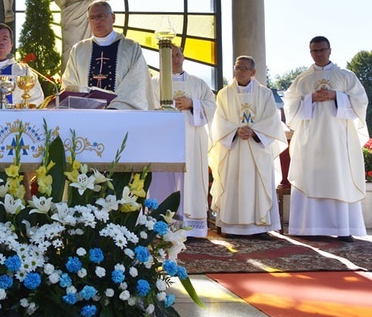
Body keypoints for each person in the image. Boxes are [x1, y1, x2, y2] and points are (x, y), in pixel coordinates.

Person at [284, 36, 369, 242]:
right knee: (310, 176)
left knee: (339, 177)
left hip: (338, 139)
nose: (318, 54)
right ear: (310, 52)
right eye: (314, 50)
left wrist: (336, 97)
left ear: (330, 50)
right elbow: (289, 106)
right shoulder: (302, 80)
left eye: (322, 50)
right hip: (310, 140)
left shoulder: (346, 76)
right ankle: (310, 228)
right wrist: (310, 98)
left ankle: (343, 228)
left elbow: (361, 102)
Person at [209, 56, 287, 239]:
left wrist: (254, 132)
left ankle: (259, 227)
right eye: (237, 68)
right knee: (232, 183)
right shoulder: (224, 94)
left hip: (257, 149)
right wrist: (235, 131)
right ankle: (231, 226)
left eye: (244, 68)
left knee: (258, 184)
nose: (240, 71)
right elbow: (218, 121)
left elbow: (272, 121)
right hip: (233, 148)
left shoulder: (265, 94)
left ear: (253, 72)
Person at [148, 45, 216, 238]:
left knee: (191, 178)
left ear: (184, 56)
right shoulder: (153, 84)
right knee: (163, 179)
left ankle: (191, 227)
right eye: (169, 56)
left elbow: (212, 107)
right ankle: (162, 226)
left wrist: (192, 104)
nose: (175, 58)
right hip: (163, 140)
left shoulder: (198, 84)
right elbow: (144, 107)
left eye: (178, 54)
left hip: (192, 139)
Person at [61, 0, 154, 110]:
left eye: (101, 16)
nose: (97, 21)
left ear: (113, 18)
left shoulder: (130, 48)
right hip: (86, 114)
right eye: (92, 18)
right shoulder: (79, 50)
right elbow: (70, 84)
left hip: (120, 115)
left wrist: (114, 107)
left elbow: (136, 84)